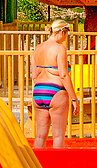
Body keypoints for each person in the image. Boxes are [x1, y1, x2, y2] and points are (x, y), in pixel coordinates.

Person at [31, 18, 78, 148]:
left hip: (39, 91)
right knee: (58, 135)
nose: (66, 38)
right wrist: (74, 99)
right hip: (55, 92)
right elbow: (63, 75)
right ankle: (58, 167)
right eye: (67, 34)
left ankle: (36, 167)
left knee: (40, 136)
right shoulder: (59, 49)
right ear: (62, 32)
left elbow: (34, 75)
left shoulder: (38, 48)